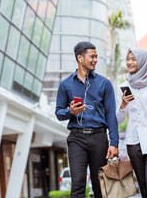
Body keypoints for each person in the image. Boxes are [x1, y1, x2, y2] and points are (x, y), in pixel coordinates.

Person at [55, 41, 119, 198]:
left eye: (96, 57)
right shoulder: (65, 85)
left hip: (99, 138)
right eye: (92, 56)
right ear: (80, 58)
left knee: (100, 185)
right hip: (77, 138)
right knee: (77, 184)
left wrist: (114, 143)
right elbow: (58, 113)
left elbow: (111, 115)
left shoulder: (105, 84)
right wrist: (70, 111)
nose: (95, 60)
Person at [116, 48, 147, 198]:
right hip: (133, 141)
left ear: (143, 61)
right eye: (128, 59)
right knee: (143, 184)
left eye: (134, 59)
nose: (130, 62)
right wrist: (123, 106)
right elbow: (119, 120)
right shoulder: (123, 86)